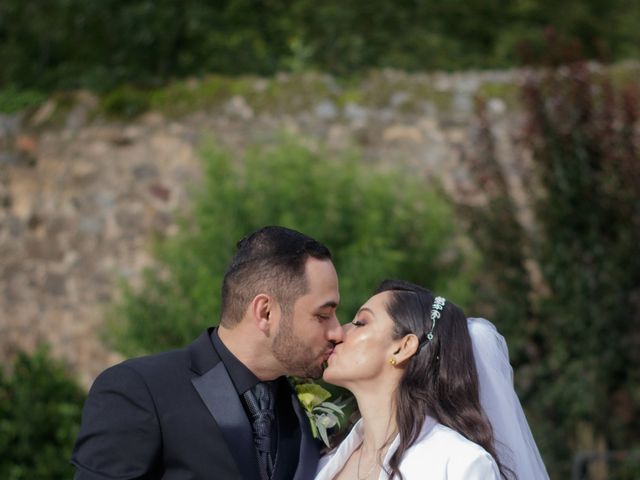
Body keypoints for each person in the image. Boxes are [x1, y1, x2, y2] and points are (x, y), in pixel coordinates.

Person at [71, 226, 344, 480]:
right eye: (323, 314)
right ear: (266, 312)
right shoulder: (138, 390)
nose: (337, 332)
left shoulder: (309, 411)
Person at [315, 279, 509, 480]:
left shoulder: (460, 464)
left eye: (360, 323)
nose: (338, 333)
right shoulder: (323, 460)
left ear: (403, 348)